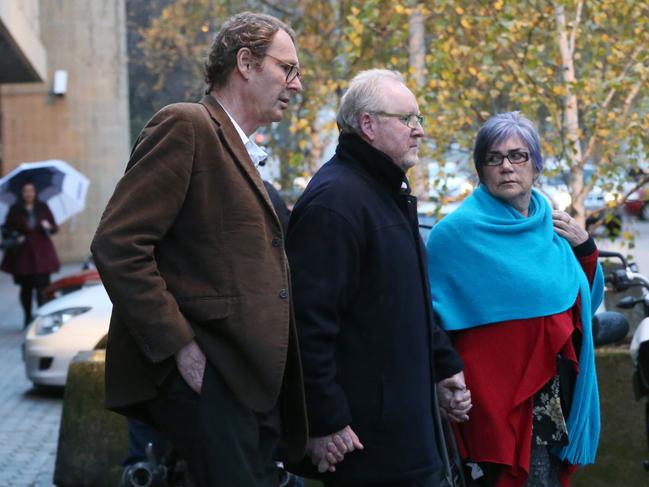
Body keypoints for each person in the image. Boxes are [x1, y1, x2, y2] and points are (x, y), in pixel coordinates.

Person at [91, 12, 307, 487]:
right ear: (245, 62)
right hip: (208, 381)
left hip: (245, 388)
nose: (296, 84)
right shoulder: (186, 125)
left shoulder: (242, 151)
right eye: (287, 68)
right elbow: (117, 245)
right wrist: (180, 348)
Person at [285, 69, 472, 487]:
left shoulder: (384, 192)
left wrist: (444, 366)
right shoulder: (336, 201)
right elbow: (306, 325)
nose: (419, 131)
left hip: (406, 438)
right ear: (367, 125)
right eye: (407, 119)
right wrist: (326, 419)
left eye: (418, 118)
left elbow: (407, 300)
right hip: (367, 449)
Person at [425, 112, 605, 487]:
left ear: (536, 165)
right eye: (494, 158)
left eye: (518, 155)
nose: (506, 166)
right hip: (492, 401)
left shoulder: (554, 227)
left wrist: (586, 249)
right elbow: (427, 320)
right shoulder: (453, 235)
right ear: (481, 169)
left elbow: (579, 303)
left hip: (555, 398)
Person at [1, 182, 60, 327]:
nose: (29, 193)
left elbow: (54, 228)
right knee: (26, 288)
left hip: (42, 254)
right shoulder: (15, 209)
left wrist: (49, 226)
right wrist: (16, 236)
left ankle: (41, 317)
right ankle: (27, 317)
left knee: (42, 288)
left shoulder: (43, 207)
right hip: (23, 255)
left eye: (31, 190)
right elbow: (6, 229)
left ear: (35, 192)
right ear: (21, 193)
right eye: (26, 191)